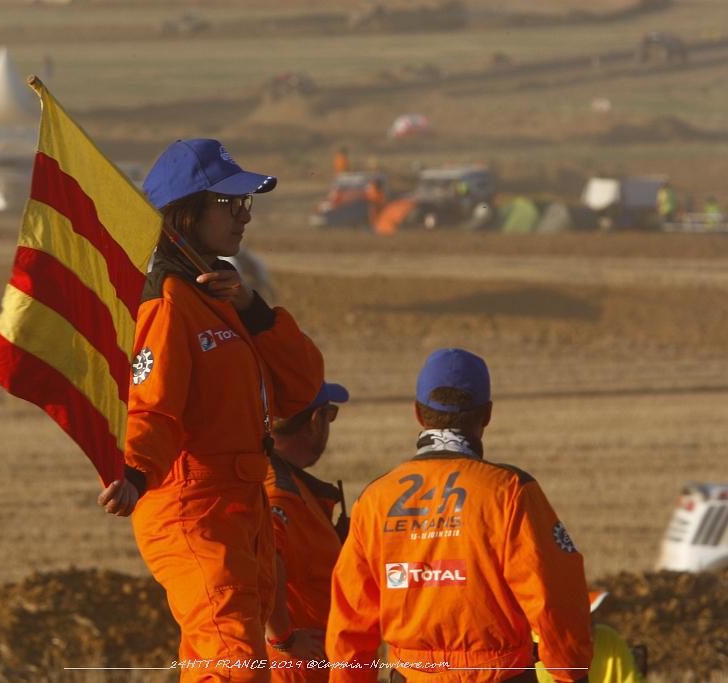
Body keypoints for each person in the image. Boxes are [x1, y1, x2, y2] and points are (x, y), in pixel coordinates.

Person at [98, 138, 324, 681]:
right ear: (185, 214)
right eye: (229, 203)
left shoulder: (219, 297)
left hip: (239, 508)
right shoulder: (166, 301)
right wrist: (135, 470)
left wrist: (253, 309)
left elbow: (301, 387)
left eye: (245, 202)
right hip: (193, 510)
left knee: (220, 664)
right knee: (233, 667)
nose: (244, 215)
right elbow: (150, 405)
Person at [326, 348, 593, 683]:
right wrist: (572, 673)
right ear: (487, 415)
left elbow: (350, 618)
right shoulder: (510, 491)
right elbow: (554, 596)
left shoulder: (375, 499)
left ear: (418, 414)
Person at [264, 381, 351, 681]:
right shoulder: (280, 493)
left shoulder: (286, 481)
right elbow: (264, 562)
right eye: (330, 414)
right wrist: (283, 639)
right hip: (296, 670)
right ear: (315, 421)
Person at [536, 592, 643, 683]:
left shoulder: (608, 638)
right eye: (582, 617)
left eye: (591, 614)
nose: (590, 622)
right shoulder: (538, 648)